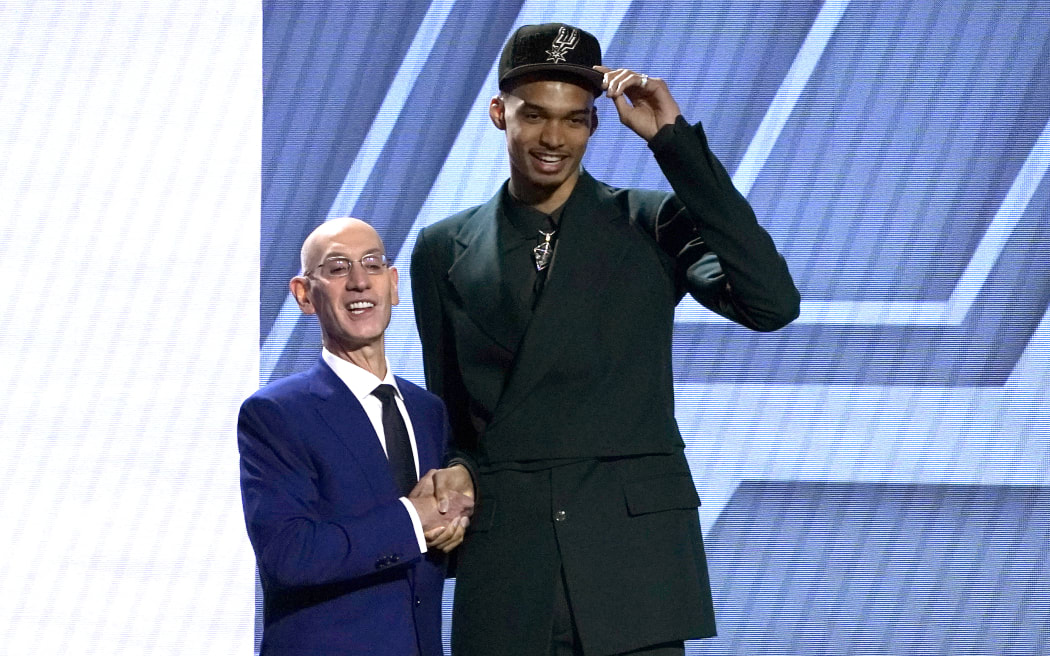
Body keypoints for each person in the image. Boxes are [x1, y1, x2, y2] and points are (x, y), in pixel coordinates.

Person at [409, 23, 800, 656]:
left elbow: (771, 304)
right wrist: (456, 472)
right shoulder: (440, 248)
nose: (553, 138)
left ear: (594, 125)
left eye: (574, 120)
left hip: (631, 565)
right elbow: (452, 414)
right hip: (511, 562)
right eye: (534, 115)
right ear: (498, 113)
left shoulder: (652, 220)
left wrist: (674, 146)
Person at [238, 217, 475, 655]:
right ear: (304, 296)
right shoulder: (276, 414)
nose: (360, 281)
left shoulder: (429, 411)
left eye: (372, 263)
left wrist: (457, 520)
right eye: (337, 267)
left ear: (394, 284)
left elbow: (432, 552)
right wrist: (414, 520)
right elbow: (289, 554)